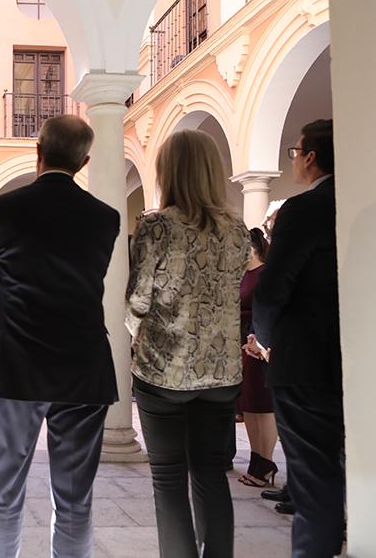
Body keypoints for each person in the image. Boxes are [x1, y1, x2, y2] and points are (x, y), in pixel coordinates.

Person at [0, 115, 118, 558]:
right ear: (85, 161)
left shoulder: (2, 209)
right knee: (75, 500)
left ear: (38, 151)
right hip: (82, 365)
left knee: (1, 490)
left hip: (16, 363)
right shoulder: (105, 217)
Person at [127, 129, 249, 558]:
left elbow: (139, 298)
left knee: (169, 480)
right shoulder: (237, 231)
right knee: (212, 476)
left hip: (163, 371)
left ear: (169, 172)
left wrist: (128, 334)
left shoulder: (158, 226)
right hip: (219, 373)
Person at [246, 119, 344, 557]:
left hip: (305, 362)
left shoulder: (302, 210)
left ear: (309, 157)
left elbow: (274, 286)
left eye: (296, 151)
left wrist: (263, 339)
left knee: (313, 481)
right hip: (352, 356)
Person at [237, 228, 279, 487]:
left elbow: (268, 308)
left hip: (258, 339)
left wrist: (259, 339)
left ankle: (266, 462)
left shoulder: (265, 273)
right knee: (249, 403)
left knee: (263, 404)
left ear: (251, 248)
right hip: (242, 340)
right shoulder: (244, 274)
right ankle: (256, 461)